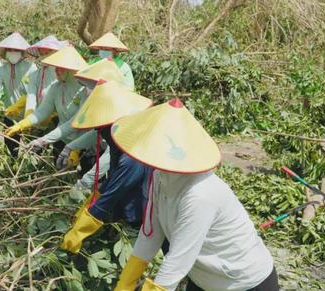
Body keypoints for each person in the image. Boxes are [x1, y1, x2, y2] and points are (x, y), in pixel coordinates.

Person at [113, 99, 278, 291]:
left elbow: (178, 260)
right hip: (203, 279)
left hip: (242, 283)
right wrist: (127, 280)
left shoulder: (200, 194)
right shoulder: (160, 176)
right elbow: (151, 232)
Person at [59, 79, 153, 254]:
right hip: (131, 204)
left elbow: (111, 194)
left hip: (146, 215)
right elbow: (112, 180)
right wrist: (93, 199)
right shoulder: (119, 144)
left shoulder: (132, 155)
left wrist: (80, 230)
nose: (100, 134)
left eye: (101, 129)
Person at [58, 59, 129, 187]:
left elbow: (113, 150)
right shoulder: (105, 107)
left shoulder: (122, 111)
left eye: (93, 86)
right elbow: (97, 133)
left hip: (128, 168)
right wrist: (71, 147)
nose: (88, 91)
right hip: (115, 163)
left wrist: (87, 181)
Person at [5, 46, 89, 152]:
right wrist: (22, 124)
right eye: (56, 67)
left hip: (84, 142)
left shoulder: (85, 90)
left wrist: (43, 140)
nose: (56, 71)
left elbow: (75, 123)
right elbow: (42, 112)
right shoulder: (56, 87)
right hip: (62, 138)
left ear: (72, 70)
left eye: (61, 68)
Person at [24, 35, 66, 117]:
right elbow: (31, 97)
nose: (45, 56)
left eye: (48, 53)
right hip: (40, 116)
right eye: (43, 54)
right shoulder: (35, 75)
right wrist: (29, 113)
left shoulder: (64, 73)